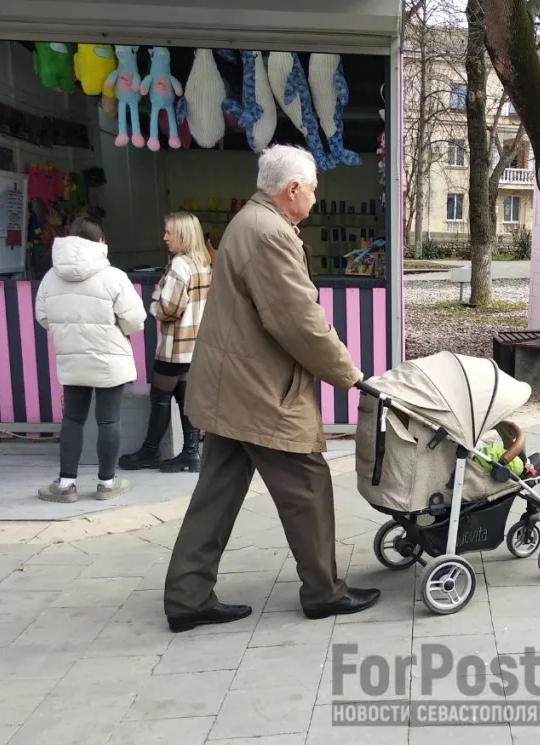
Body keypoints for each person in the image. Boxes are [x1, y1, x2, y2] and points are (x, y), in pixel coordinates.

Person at [162, 144, 380, 632]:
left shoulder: (248, 222)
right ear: (293, 189)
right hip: (258, 391)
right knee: (308, 483)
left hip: (230, 387)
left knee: (216, 493)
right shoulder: (270, 234)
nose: (316, 200)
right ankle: (324, 592)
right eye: (314, 190)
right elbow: (298, 320)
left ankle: (187, 596)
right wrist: (351, 376)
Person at [34, 216, 147, 502]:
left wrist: (67, 336)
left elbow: (43, 316)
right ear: (100, 241)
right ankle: (107, 483)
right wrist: (118, 332)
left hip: (72, 359)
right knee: (108, 420)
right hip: (109, 358)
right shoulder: (114, 276)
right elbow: (135, 319)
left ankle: (65, 484)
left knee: (73, 417)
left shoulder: (51, 276)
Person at [119, 212, 213, 474]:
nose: (165, 237)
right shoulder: (203, 263)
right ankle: (191, 453)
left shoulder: (180, 265)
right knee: (186, 399)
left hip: (175, 345)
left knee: (160, 397)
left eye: (169, 232)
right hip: (196, 345)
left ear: (182, 234)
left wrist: (154, 306)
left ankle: (149, 452)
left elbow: (170, 308)